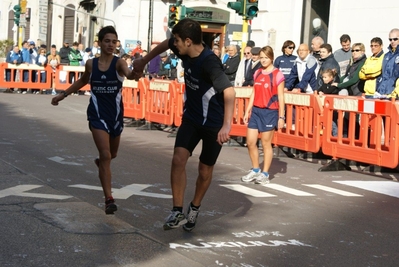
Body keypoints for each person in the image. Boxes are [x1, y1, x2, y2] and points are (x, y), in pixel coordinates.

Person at [132, 18, 235, 232]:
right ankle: (177, 210)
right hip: (192, 119)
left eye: (178, 41)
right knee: (178, 159)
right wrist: (143, 60)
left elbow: (230, 92)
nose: (174, 44)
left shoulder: (210, 62)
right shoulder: (183, 49)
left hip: (214, 124)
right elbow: (165, 44)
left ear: (188, 41)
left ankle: (194, 207)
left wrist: (227, 125)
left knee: (205, 170)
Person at [51, 26, 141, 214]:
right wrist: (63, 94)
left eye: (114, 41)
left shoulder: (119, 63)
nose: (110, 44)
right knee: (106, 155)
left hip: (115, 116)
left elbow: (131, 75)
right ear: (99, 43)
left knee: (111, 155)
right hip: (97, 115)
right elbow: (83, 80)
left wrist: (138, 69)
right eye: (107, 41)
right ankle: (109, 199)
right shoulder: (91, 64)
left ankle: (101, 164)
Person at [241, 46, 285, 184]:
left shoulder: (278, 74)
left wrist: (281, 117)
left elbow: (282, 97)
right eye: (261, 58)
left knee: (266, 143)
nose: (264, 60)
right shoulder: (258, 72)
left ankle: (265, 174)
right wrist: (248, 109)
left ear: (271, 58)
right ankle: (255, 170)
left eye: (266, 57)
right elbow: (254, 92)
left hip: (270, 112)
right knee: (250, 142)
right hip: (256, 111)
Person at [376, 28, 399, 97]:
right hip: (382, 92)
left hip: (394, 94)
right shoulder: (386, 56)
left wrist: (395, 92)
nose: (392, 41)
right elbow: (382, 74)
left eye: (395, 39)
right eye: (390, 39)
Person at [316, 69, 340, 136]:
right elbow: (318, 90)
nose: (324, 79)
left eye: (325, 77)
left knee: (333, 122)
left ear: (331, 77)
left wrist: (323, 92)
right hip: (327, 107)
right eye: (323, 77)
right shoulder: (325, 84)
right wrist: (319, 92)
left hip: (333, 107)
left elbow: (328, 91)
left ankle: (335, 136)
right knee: (328, 122)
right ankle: (329, 135)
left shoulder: (334, 85)